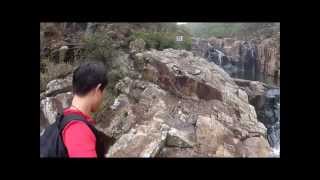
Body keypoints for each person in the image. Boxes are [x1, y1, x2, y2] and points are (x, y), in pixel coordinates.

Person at [62, 61, 107, 158]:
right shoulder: (78, 130)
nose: (103, 97)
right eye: (103, 92)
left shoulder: (65, 117)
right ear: (97, 89)